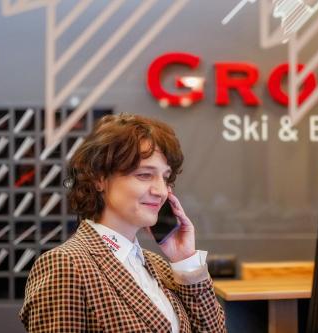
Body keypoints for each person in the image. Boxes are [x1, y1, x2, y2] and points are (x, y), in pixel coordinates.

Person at [19, 114, 226, 332]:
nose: (161, 191)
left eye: (165, 178)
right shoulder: (66, 266)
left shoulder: (158, 265)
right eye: (145, 175)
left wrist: (185, 260)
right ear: (99, 179)